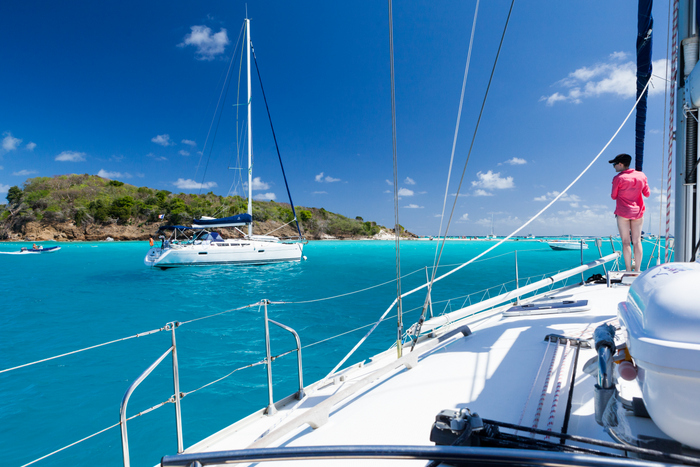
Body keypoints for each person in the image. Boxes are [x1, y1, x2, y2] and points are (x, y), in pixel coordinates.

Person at [609, 153, 650, 272]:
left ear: (621, 164)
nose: (614, 167)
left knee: (626, 242)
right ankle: (637, 271)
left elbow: (613, 196)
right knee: (637, 241)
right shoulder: (641, 175)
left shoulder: (618, 178)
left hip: (623, 213)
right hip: (638, 212)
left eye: (615, 164)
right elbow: (647, 193)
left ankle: (628, 271)